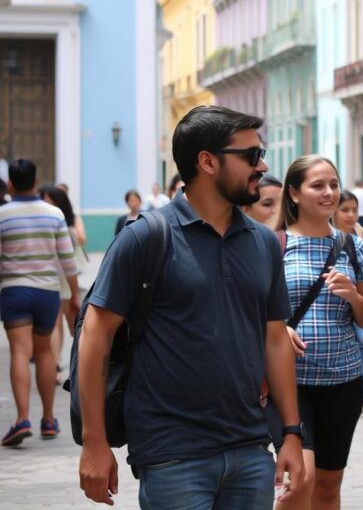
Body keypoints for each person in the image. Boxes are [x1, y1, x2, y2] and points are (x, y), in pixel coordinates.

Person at [77, 105, 305, 508]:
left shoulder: (265, 243)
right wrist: (95, 443)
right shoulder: (146, 237)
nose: (263, 165)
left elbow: (274, 339)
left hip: (250, 450)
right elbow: (96, 335)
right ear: (207, 161)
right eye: (251, 155)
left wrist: (290, 432)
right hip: (172, 454)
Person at [268, 155, 363, 510]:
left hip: (342, 382)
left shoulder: (353, 245)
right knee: (301, 481)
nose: (329, 193)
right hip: (289, 383)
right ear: (294, 194)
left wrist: (354, 296)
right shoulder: (272, 243)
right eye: (318, 185)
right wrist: (280, 328)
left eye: (333, 184)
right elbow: (247, 310)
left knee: (328, 486)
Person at [0, 160, 80, 446]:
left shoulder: (2, 215)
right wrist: (73, 296)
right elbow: (67, 259)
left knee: (21, 352)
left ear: (10, 183)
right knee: (45, 353)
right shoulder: (54, 214)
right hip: (47, 292)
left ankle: (22, 419)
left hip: (14, 291)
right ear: (36, 182)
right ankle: (48, 419)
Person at [39, 184, 88, 385]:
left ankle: (74, 364)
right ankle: (56, 365)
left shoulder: (70, 219)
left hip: (66, 275)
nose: (47, 204)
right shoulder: (48, 219)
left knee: (71, 323)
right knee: (57, 323)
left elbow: (81, 240)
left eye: (51, 201)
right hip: (55, 275)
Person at [334, 189, 363, 414]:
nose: (351, 215)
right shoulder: (325, 236)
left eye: (354, 210)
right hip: (336, 307)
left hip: (358, 300)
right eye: (345, 210)